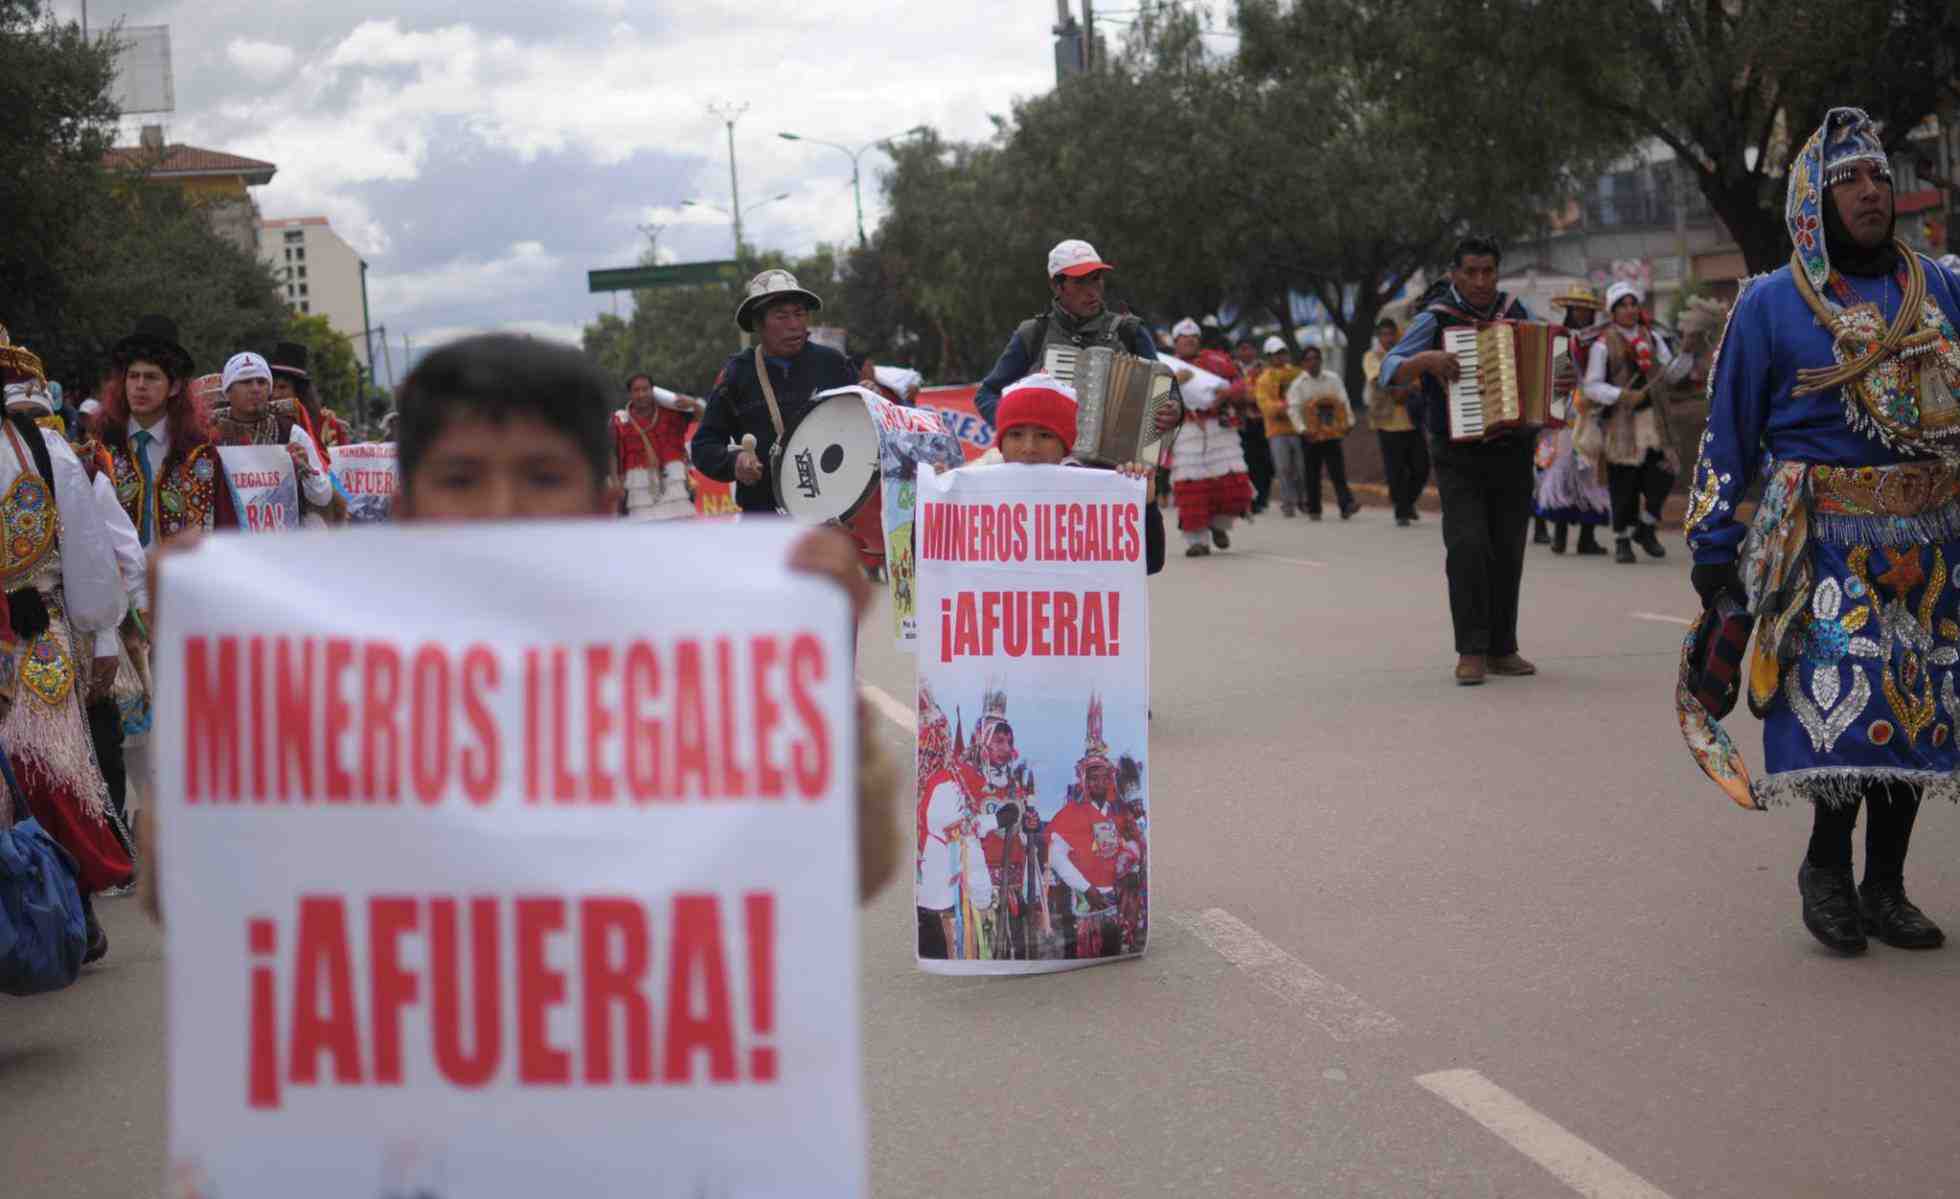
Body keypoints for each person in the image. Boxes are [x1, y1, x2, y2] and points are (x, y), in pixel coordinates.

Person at [143, 333, 903, 922]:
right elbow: (186, 894)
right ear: (407, 509)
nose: (501, 507)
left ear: (603, 502)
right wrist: (199, 684)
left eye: (541, 476)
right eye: (462, 478)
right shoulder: (328, 690)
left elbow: (851, 865)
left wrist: (818, 696)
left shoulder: (683, 676)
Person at [1683, 107, 1960, 955]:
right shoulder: (1770, 304)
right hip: (1824, 543)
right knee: (1848, 709)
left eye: (1880, 176)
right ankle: (1826, 870)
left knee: (1919, 710)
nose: (1873, 192)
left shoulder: (1941, 287)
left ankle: (1886, 885)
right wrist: (1713, 556)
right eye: (1851, 179)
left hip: (1932, 536)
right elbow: (1726, 435)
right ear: (1814, 199)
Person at [0, 331, 132, 963]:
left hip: (33, 636)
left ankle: (69, 905)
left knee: (48, 774)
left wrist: (102, 630)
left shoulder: (43, 446)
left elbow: (86, 547)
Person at [1378, 235, 1539, 685]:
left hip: (1513, 447)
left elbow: (1548, 362)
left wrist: (1560, 374)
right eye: (1471, 272)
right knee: (1468, 547)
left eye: (1488, 271)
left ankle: (1503, 648)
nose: (1481, 281)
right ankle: (1471, 649)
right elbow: (1390, 368)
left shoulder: (1516, 311)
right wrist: (1425, 360)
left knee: (1508, 549)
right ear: (1455, 274)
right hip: (1457, 452)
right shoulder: (1435, 319)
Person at [690, 270, 858, 514]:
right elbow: (704, 445)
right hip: (766, 518)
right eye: (781, 316)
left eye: (800, 314)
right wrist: (734, 462)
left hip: (834, 512)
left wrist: (873, 401)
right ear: (758, 323)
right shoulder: (736, 375)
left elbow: (864, 428)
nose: (794, 325)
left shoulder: (833, 364)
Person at [971, 239, 1184, 432]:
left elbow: (1166, 390)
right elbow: (987, 394)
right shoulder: (1033, 333)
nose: (1092, 291)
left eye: (1096, 279)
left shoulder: (1130, 330)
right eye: (1080, 282)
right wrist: (1015, 428)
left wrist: (1174, 410)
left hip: (1118, 468)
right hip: (1051, 465)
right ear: (1056, 285)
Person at [991, 373, 1165, 573]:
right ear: (1001, 444)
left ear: (1065, 445)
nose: (1029, 447)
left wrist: (1145, 505)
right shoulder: (974, 492)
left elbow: (1150, 562)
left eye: (1044, 435)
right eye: (1016, 435)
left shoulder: (1093, 495)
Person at [1584, 282, 1694, 563]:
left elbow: (1670, 375)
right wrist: (1621, 394)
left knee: (1665, 473)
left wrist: (1688, 352)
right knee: (1624, 483)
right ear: (1612, 311)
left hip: (1655, 422)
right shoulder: (1601, 344)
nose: (1630, 309)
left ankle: (1646, 527)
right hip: (1622, 424)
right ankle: (1622, 539)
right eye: (1623, 305)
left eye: (1633, 303)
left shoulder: (1653, 337)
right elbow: (1592, 386)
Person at [1046, 695, 1143, 959]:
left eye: (1104, 777)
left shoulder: (1119, 813)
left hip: (1117, 901)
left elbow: (1134, 843)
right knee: (1086, 955)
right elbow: (1055, 856)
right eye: (1093, 777)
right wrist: (1086, 888)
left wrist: (1131, 866)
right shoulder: (1070, 814)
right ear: (1083, 780)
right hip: (1086, 900)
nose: (1100, 782)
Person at [210, 351, 337, 524]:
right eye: (246, 382)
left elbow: (322, 497)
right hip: (231, 541)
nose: (255, 388)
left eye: (261, 382)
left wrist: (306, 469)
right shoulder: (209, 436)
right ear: (227, 392)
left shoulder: (292, 433)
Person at [1534, 287, 1611, 556]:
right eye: (1576, 308)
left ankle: (1586, 538)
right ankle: (1559, 536)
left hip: (1591, 416)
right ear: (1569, 311)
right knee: (1562, 475)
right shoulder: (1559, 340)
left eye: (1586, 309)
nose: (1581, 314)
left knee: (1590, 478)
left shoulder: (1600, 342)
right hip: (1564, 417)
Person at [1168, 318, 1254, 556]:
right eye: (1185, 338)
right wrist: (1174, 384)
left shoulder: (1217, 360)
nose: (1190, 341)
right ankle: (1197, 540)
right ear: (1176, 342)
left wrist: (1226, 392)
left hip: (1220, 427)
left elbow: (1240, 385)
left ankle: (1218, 525)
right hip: (1187, 431)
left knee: (1230, 482)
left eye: (1194, 337)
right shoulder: (1165, 366)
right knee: (1190, 485)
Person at [1365, 318, 1429, 527]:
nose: (1388, 339)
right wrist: (1406, 384)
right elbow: (1378, 378)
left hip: (1412, 420)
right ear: (1378, 337)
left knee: (1422, 467)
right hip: (1387, 422)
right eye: (1384, 334)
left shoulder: (1407, 353)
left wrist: (1407, 385)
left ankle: (1408, 502)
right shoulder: (1372, 356)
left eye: (1391, 334)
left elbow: (1419, 378)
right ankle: (1401, 511)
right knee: (1395, 469)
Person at [1286, 343, 1359, 520]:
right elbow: (1293, 410)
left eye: (1316, 359)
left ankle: (1346, 505)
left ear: (1321, 360)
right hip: (1310, 433)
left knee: (1337, 470)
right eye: (1308, 360)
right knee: (1312, 472)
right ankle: (1314, 508)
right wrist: (1302, 430)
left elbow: (1343, 401)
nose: (1313, 363)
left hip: (1331, 430)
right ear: (1303, 363)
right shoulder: (1298, 385)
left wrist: (1349, 422)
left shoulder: (1333, 379)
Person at [614, 372, 698, 522]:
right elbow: (617, 458)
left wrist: (694, 404)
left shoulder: (672, 413)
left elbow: (703, 416)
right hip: (639, 495)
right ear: (630, 394)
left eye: (645, 389)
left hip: (676, 491)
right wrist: (618, 487)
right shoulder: (620, 422)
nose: (641, 394)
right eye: (636, 390)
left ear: (653, 390)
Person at [1253, 337, 1306, 517]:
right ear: (1269, 357)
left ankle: (1303, 500)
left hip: (1298, 427)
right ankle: (1287, 503)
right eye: (1276, 354)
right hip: (1276, 430)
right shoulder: (1264, 380)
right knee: (1283, 468)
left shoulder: (1298, 374)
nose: (1281, 357)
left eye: (1283, 353)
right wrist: (1283, 407)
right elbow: (1265, 404)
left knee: (1301, 467)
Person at [269, 341, 351, 455]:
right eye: (271, 387)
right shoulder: (258, 424)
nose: (275, 394)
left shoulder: (329, 426)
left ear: (299, 391)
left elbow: (341, 466)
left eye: (282, 387)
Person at [1229, 335, 1274, 512]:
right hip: (1239, 422)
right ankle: (1246, 499)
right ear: (1237, 351)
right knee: (1243, 461)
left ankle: (1261, 498)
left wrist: (1252, 397)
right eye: (1242, 348)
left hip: (1261, 420)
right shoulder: (1231, 368)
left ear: (1255, 351)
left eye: (1249, 348)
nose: (1246, 352)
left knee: (1263, 461)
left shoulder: (1264, 369)